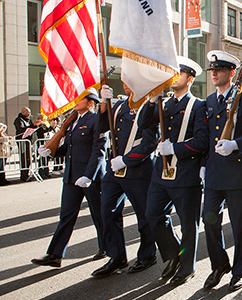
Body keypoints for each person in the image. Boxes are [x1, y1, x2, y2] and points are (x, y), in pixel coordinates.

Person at [139, 57, 209, 285]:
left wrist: (176, 149)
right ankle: (175, 254)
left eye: (178, 74)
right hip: (161, 174)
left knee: (189, 224)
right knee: (153, 215)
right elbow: (143, 124)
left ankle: (187, 267)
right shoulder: (164, 103)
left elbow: (201, 141)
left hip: (186, 174)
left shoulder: (198, 106)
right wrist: (151, 101)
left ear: (189, 79)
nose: (173, 77)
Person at [201, 50, 242, 292]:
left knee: (238, 227)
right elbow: (206, 138)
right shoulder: (209, 101)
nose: (214, 73)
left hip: (237, 174)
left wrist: (235, 144)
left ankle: (239, 270)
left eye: (220, 70)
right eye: (212, 70)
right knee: (209, 221)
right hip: (215, 173)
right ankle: (219, 265)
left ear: (232, 73)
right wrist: (204, 165)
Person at [90, 83, 158, 277]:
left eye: (131, 79)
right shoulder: (119, 105)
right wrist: (104, 104)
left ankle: (147, 255)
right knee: (107, 211)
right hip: (114, 170)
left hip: (138, 170)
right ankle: (116, 256)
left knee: (143, 216)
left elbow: (149, 143)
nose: (126, 83)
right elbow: (101, 127)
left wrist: (126, 161)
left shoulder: (148, 106)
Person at [33, 89, 107, 267]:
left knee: (99, 214)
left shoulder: (96, 120)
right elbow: (68, 148)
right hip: (72, 176)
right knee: (66, 215)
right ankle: (55, 254)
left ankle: (107, 248)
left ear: (91, 103)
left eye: (81, 99)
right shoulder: (72, 121)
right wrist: (51, 151)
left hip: (90, 176)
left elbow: (99, 150)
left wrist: (89, 175)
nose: (75, 101)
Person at [14, 107, 41, 181]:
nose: (29, 114)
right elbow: (21, 129)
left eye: (29, 112)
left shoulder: (28, 120)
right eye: (27, 112)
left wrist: (35, 125)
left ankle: (27, 173)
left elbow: (30, 128)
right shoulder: (18, 120)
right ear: (23, 112)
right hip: (22, 141)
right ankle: (23, 175)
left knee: (28, 158)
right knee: (24, 158)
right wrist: (31, 126)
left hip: (28, 141)